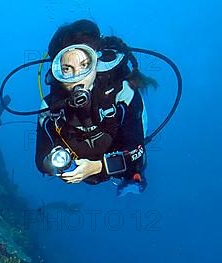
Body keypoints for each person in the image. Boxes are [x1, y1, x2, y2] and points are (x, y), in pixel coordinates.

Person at [35, 19, 156, 196]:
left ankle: (134, 179)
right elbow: (40, 161)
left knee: (135, 170)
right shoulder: (49, 107)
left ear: (96, 62)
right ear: (57, 71)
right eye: (67, 69)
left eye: (85, 65)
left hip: (120, 154)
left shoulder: (123, 92)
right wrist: (53, 162)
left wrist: (98, 167)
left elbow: (137, 151)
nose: (78, 78)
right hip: (82, 161)